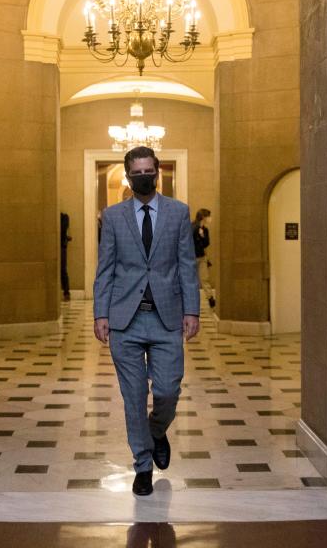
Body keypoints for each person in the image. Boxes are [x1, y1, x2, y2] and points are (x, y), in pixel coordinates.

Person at [93, 146, 200, 496]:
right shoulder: (112, 217)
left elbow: (187, 264)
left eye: (148, 171)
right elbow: (105, 269)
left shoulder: (178, 213)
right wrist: (101, 313)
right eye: (136, 172)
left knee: (168, 390)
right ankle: (142, 466)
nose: (143, 177)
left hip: (167, 318)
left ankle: (156, 431)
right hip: (126, 320)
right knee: (134, 397)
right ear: (128, 175)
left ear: (157, 172)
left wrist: (192, 310)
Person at [192, 208, 215, 309]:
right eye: (208, 216)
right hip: (191, 258)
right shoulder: (192, 226)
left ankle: (210, 299)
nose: (210, 218)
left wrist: (202, 236)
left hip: (201, 257)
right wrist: (198, 232)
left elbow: (206, 243)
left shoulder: (205, 230)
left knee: (204, 278)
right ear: (203, 217)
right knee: (191, 280)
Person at [60, 212, 72, 301]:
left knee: (63, 269)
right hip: (61, 246)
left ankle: (66, 292)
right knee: (63, 270)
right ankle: (66, 292)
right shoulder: (64, 218)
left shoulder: (64, 217)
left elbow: (63, 229)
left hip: (61, 246)